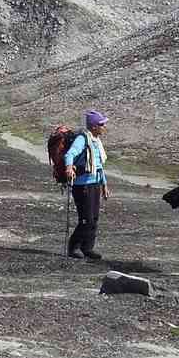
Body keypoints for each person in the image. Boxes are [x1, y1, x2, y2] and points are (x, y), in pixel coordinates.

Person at [63, 110, 111, 260]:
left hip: (95, 183)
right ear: (94, 126)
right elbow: (69, 154)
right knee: (86, 219)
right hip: (82, 185)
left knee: (94, 218)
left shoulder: (96, 140)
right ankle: (73, 247)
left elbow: (98, 166)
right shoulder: (82, 139)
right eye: (102, 124)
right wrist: (69, 167)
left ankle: (87, 247)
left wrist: (104, 184)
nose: (104, 127)